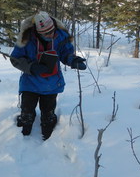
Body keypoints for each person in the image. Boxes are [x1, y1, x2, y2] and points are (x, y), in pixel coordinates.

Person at [10, 11, 86, 141]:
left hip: (51, 82)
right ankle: (22, 135)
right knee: (27, 112)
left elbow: (65, 53)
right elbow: (15, 58)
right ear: (38, 32)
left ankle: (49, 134)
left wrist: (73, 60)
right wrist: (31, 67)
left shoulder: (61, 36)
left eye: (52, 31)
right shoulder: (26, 38)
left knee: (48, 113)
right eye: (46, 33)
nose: (51, 35)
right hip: (30, 82)